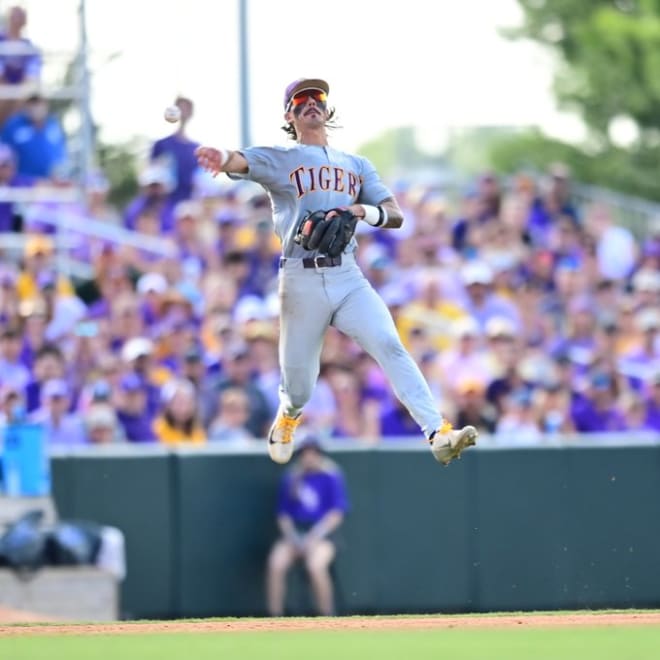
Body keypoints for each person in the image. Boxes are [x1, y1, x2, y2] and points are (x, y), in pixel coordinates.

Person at [195, 77, 478, 465]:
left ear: (327, 110)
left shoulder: (356, 165)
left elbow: (395, 215)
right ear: (289, 115)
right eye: (301, 99)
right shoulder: (282, 157)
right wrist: (220, 155)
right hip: (300, 276)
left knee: (389, 344)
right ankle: (288, 416)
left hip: (347, 275)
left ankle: (438, 433)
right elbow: (239, 160)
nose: (311, 102)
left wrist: (362, 210)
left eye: (318, 97)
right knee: (299, 384)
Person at [265, 434, 348, 617]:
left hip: (323, 536)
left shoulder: (331, 476)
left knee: (315, 565)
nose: (309, 457)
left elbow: (336, 514)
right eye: (304, 453)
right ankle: (274, 617)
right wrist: (293, 538)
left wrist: (314, 536)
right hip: (295, 533)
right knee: (276, 563)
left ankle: (326, 616)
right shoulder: (292, 477)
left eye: (313, 452)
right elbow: (283, 515)